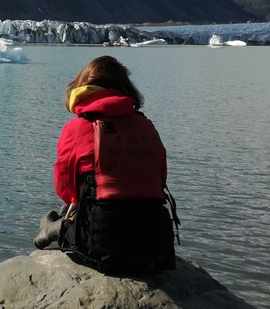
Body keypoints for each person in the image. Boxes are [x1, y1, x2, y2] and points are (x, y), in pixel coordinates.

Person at [33, 55, 178, 273]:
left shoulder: (78, 128)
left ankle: (52, 229)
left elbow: (65, 187)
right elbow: (159, 178)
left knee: (71, 208)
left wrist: (76, 202)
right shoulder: (147, 126)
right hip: (156, 248)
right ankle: (64, 220)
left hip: (104, 247)